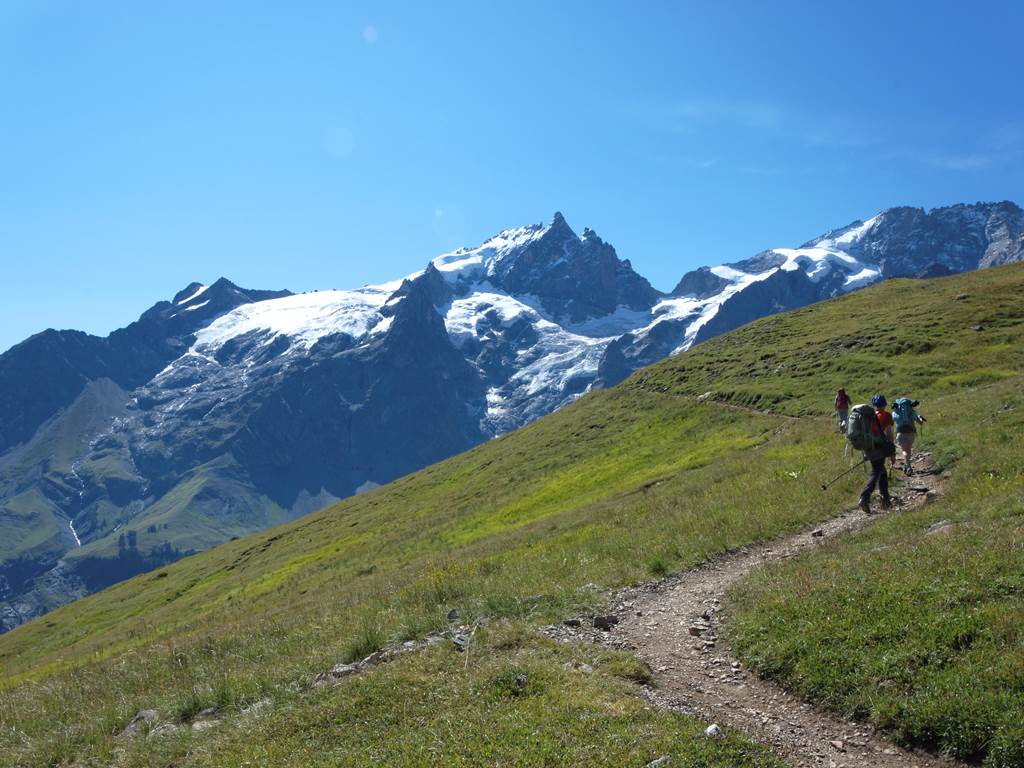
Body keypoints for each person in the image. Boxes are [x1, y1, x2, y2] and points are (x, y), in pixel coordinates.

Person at [859, 394, 895, 513]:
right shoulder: (886, 415)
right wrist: (892, 453)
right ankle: (864, 497)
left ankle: (885, 500)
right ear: (885, 404)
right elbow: (889, 435)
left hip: (868, 448)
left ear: (874, 405)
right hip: (879, 448)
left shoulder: (868, 416)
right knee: (876, 472)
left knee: (882, 472)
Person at [892, 397, 926, 475]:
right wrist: (920, 418)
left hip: (900, 433)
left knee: (904, 451)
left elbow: (892, 421)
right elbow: (920, 423)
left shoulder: (895, 412)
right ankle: (907, 465)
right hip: (911, 433)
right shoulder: (912, 412)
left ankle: (908, 466)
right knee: (908, 450)